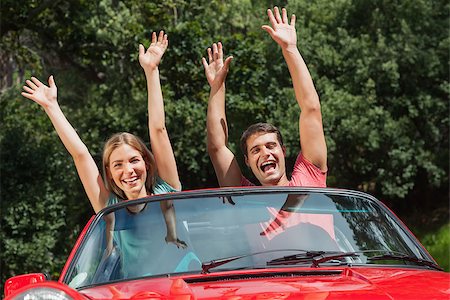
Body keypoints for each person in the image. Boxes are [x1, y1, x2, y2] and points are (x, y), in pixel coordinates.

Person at [21, 30, 186, 249]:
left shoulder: (167, 190)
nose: (128, 171)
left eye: (134, 160)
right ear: (109, 172)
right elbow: (80, 155)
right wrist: (52, 107)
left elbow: (158, 130)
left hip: (183, 280)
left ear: (146, 162)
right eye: (118, 164)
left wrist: (151, 71)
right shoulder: (109, 209)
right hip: (137, 285)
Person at [203, 7, 327, 188]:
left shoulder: (309, 179)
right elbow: (217, 148)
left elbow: (311, 108)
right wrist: (217, 88)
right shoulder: (244, 197)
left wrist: (290, 49)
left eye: (270, 146)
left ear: (283, 151)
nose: (265, 153)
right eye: (255, 150)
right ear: (247, 161)